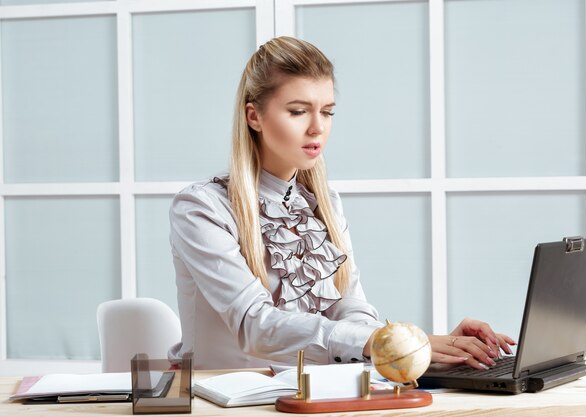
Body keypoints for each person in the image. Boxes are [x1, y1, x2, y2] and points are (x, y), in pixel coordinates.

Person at [168, 36, 515, 370]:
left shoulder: (324, 203)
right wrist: (388, 341)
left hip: (315, 392)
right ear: (253, 116)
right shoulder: (202, 209)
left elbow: (351, 306)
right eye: (298, 111)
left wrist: (409, 348)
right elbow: (254, 326)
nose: (318, 127)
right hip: (223, 400)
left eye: (328, 112)